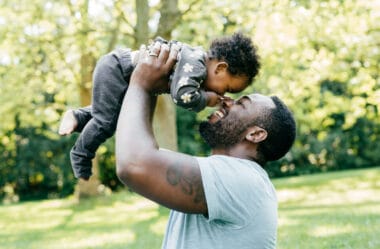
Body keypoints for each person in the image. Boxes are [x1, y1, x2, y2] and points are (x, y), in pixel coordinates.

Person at [115, 42, 296, 249]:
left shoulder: (241, 179)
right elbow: (141, 152)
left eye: (241, 104)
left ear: (255, 134)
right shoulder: (229, 173)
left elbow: (133, 164)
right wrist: (153, 86)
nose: (227, 101)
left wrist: (142, 84)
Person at [58, 32, 260, 180]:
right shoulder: (196, 65)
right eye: (227, 88)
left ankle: (77, 116)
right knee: (106, 123)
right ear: (221, 68)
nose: (222, 94)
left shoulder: (195, 61)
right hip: (118, 70)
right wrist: (206, 99)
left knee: (112, 115)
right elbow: (182, 96)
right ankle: (81, 154)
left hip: (119, 70)